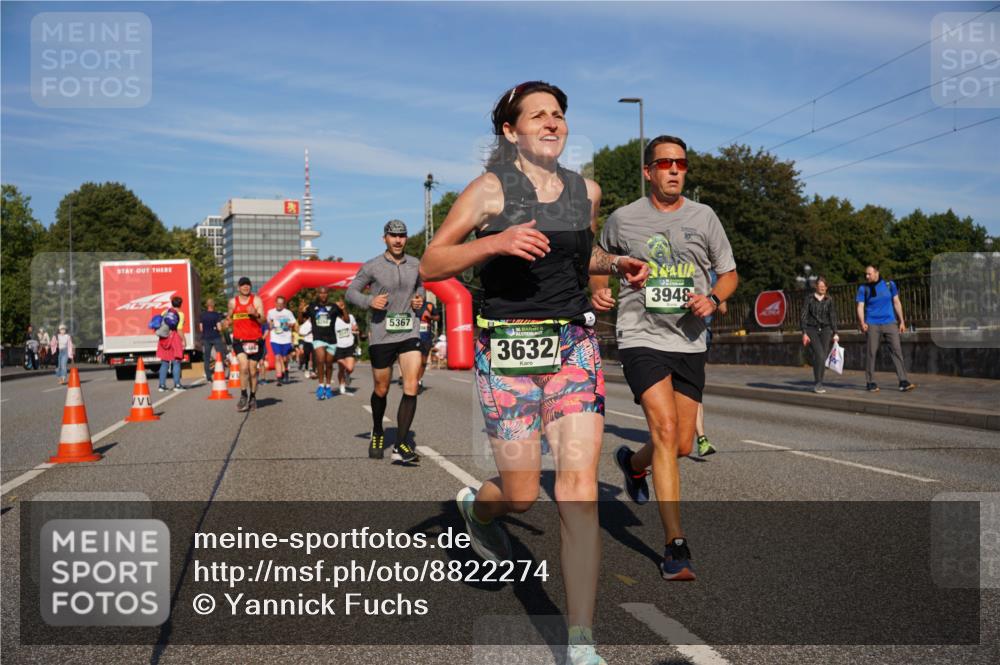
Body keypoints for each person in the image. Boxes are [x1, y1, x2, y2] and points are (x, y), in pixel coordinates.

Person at [420, 81, 648, 665]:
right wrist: (493, 243)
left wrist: (616, 262)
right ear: (510, 130)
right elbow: (432, 263)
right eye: (538, 115)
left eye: (558, 114)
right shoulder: (489, 190)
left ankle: (581, 642)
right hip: (508, 350)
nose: (552, 122)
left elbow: (582, 253)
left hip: (572, 344)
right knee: (521, 494)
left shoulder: (585, 190)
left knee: (577, 489)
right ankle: (478, 509)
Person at [594, 134, 738, 582]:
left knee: (680, 445)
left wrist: (713, 299)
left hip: (689, 340)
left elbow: (729, 274)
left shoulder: (704, 216)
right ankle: (676, 545)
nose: (675, 170)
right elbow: (598, 258)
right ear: (648, 171)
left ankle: (633, 466)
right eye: (665, 163)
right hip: (640, 335)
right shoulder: (624, 218)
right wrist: (600, 288)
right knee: (664, 429)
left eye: (681, 163)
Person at [347, 220, 425, 464]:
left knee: (411, 385)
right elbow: (351, 292)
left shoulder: (415, 264)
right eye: (393, 236)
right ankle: (378, 430)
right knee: (382, 388)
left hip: (409, 331)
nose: (398, 240)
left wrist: (419, 301)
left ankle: (401, 444)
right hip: (382, 334)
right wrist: (369, 301)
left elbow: (420, 288)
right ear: (385, 239)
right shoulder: (372, 266)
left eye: (402, 236)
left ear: (406, 238)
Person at [856, 264, 915, 392]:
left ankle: (903, 381)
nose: (867, 276)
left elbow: (896, 302)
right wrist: (862, 322)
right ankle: (870, 382)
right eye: (866, 274)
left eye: (869, 274)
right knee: (871, 353)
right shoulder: (863, 288)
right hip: (872, 323)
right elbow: (860, 306)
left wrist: (902, 321)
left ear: (876, 273)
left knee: (897, 351)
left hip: (890, 322)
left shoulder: (889, 285)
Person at [226, 276, 265, 411]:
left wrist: (255, 314)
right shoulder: (233, 302)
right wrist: (225, 323)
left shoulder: (256, 300)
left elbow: (263, 320)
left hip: (255, 340)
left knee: (253, 371)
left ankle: (252, 396)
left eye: (248, 285)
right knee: (243, 367)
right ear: (238, 288)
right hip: (240, 340)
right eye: (243, 285)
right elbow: (229, 318)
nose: (245, 287)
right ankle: (243, 395)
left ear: (250, 287)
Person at [301, 287, 340, 400]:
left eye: (325, 293)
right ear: (318, 294)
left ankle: (328, 386)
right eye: (321, 293)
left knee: (329, 364)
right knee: (321, 359)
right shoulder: (312, 306)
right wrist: (300, 311)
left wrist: (344, 309)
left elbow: (346, 319)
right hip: (318, 338)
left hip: (331, 339)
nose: (323, 295)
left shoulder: (334, 306)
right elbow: (300, 320)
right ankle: (321, 385)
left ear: (328, 294)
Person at [802, 276, 839, 394]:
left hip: (825, 330)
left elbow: (832, 316)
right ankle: (818, 383)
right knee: (820, 354)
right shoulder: (809, 298)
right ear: (816, 287)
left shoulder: (829, 299)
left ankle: (819, 382)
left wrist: (835, 332)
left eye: (824, 286)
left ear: (826, 287)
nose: (822, 288)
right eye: (820, 286)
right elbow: (804, 315)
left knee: (822, 357)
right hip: (811, 329)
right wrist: (804, 333)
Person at [266, 296, 298, 386]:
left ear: (284, 304)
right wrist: (270, 325)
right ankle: (279, 377)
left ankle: (286, 370)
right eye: (278, 303)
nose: (279, 305)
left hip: (286, 338)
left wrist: (289, 325)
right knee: (277, 357)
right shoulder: (270, 312)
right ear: (275, 303)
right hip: (275, 338)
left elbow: (293, 323)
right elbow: (269, 323)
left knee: (284, 359)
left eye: (281, 303)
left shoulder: (288, 312)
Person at [156, 296, 186, 392]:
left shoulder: (164, 312)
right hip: (174, 338)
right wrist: (184, 340)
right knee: (176, 361)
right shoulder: (180, 314)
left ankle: (161, 385)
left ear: (172, 303)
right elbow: (179, 329)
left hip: (164, 338)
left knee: (164, 362)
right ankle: (177, 385)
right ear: (180, 304)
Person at [333, 294, 359, 394]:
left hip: (349, 345)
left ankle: (347, 375)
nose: (339, 307)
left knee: (350, 368)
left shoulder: (350, 317)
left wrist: (355, 328)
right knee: (341, 368)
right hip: (338, 346)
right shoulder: (333, 319)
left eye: (340, 305)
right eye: (337, 306)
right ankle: (342, 385)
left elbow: (355, 326)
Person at [200, 298, 227, 382]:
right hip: (216, 337)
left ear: (207, 305)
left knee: (207, 358)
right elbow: (219, 328)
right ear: (213, 305)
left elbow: (201, 328)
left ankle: (208, 377)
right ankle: (221, 374)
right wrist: (222, 327)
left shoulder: (202, 315)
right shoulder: (216, 315)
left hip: (206, 338)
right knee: (220, 356)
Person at [416, 300, 440, 391]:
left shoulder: (429, 305)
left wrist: (430, 316)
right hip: (413, 337)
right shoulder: (411, 304)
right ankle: (415, 381)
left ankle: (418, 379)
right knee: (415, 361)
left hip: (426, 338)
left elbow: (437, 317)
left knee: (423, 362)